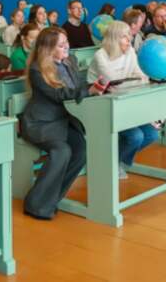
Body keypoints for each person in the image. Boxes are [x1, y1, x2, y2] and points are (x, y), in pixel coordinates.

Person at [19, 28, 105, 219]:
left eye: (66, 42)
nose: (66, 46)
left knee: (81, 150)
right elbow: (57, 95)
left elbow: (76, 87)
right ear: (48, 49)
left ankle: (52, 199)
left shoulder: (69, 62)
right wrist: (87, 91)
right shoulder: (37, 69)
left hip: (63, 121)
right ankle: (35, 204)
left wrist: (94, 87)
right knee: (62, 151)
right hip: (41, 124)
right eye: (61, 44)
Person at [86, 21, 153, 179]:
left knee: (152, 134)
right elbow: (112, 82)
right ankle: (112, 163)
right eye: (124, 36)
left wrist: (130, 81)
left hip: (125, 101)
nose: (129, 39)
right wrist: (132, 81)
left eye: (129, 35)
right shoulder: (101, 55)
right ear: (114, 38)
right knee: (136, 136)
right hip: (101, 104)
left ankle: (118, 162)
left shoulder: (130, 52)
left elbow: (143, 77)